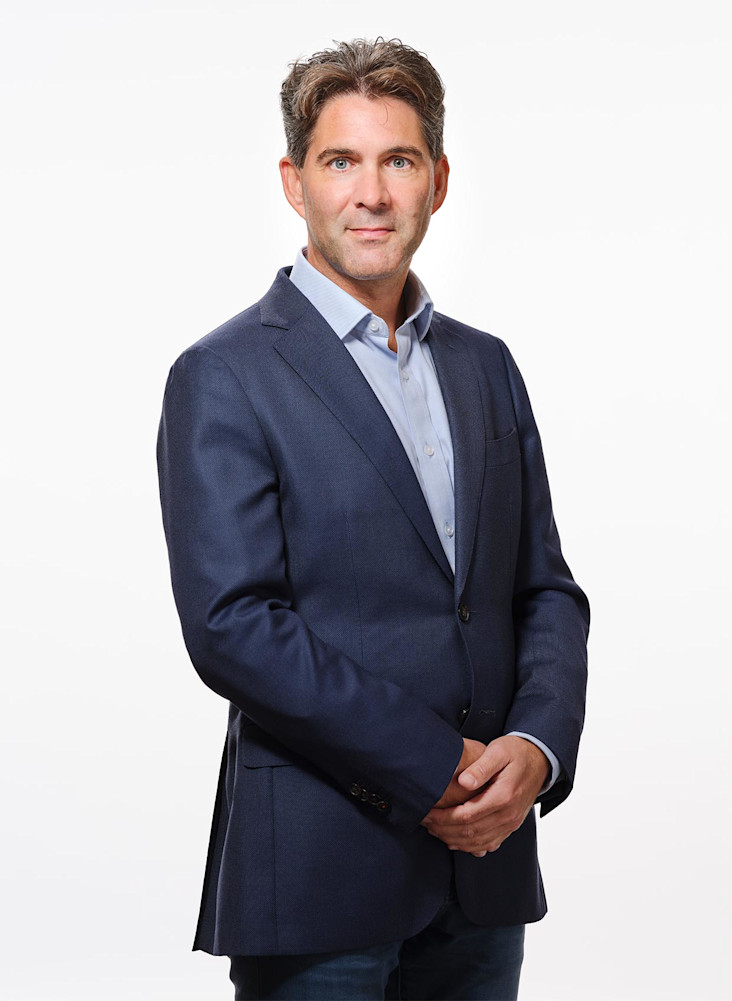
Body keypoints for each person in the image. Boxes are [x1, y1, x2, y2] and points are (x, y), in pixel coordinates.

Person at [157, 37, 589, 1001]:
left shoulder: (485, 366)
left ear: (438, 180)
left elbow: (545, 589)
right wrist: (435, 766)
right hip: (321, 871)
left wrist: (535, 748)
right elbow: (233, 624)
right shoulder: (224, 375)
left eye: (398, 160)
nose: (372, 193)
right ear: (293, 182)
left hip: (484, 872)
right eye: (340, 161)